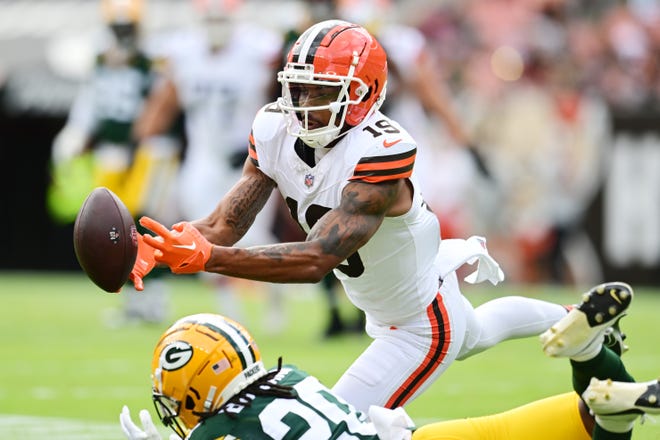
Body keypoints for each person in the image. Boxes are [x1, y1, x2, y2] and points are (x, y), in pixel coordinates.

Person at [129, 19, 592, 412]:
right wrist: (164, 243)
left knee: (337, 429)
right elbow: (223, 225)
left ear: (365, 94)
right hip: (408, 292)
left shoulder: (381, 151)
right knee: (481, 331)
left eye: (321, 93)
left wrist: (209, 258)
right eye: (300, 89)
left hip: (420, 324)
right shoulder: (274, 127)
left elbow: (314, 259)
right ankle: (579, 315)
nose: (305, 107)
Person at [119, 281, 659, 440]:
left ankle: (601, 384)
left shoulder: (217, 433)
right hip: (406, 436)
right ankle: (593, 355)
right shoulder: (290, 378)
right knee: (582, 423)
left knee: (599, 430)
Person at [134, 0, 286, 330]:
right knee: (201, 236)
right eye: (211, 18)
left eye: (222, 18)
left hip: (249, 159)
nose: (216, 25)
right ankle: (231, 313)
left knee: (254, 237)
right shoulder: (183, 53)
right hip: (202, 158)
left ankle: (274, 301)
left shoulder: (260, 50)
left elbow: (283, 96)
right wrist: (146, 136)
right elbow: (166, 100)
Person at [49, 0, 179, 325]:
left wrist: (144, 136)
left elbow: (163, 104)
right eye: (117, 28)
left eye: (127, 27)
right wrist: (76, 133)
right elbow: (91, 102)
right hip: (112, 149)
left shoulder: (153, 59)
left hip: (151, 148)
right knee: (116, 227)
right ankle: (134, 301)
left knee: (146, 221)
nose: (122, 35)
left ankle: (156, 299)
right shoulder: (100, 58)